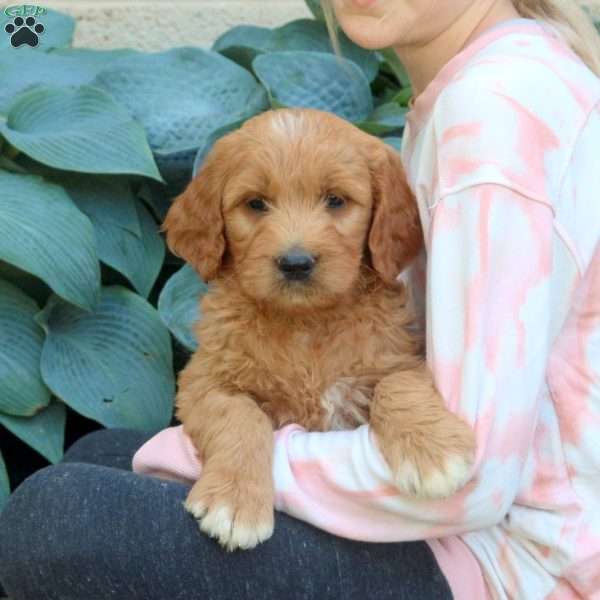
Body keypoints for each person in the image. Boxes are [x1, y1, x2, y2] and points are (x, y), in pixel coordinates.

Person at [1, 0, 599, 598]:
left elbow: (471, 477)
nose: (294, 246)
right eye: (256, 206)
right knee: (98, 455)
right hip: (482, 523)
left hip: (519, 563)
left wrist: (220, 463)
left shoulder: (493, 112)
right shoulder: (481, 83)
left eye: (336, 204)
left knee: (57, 517)